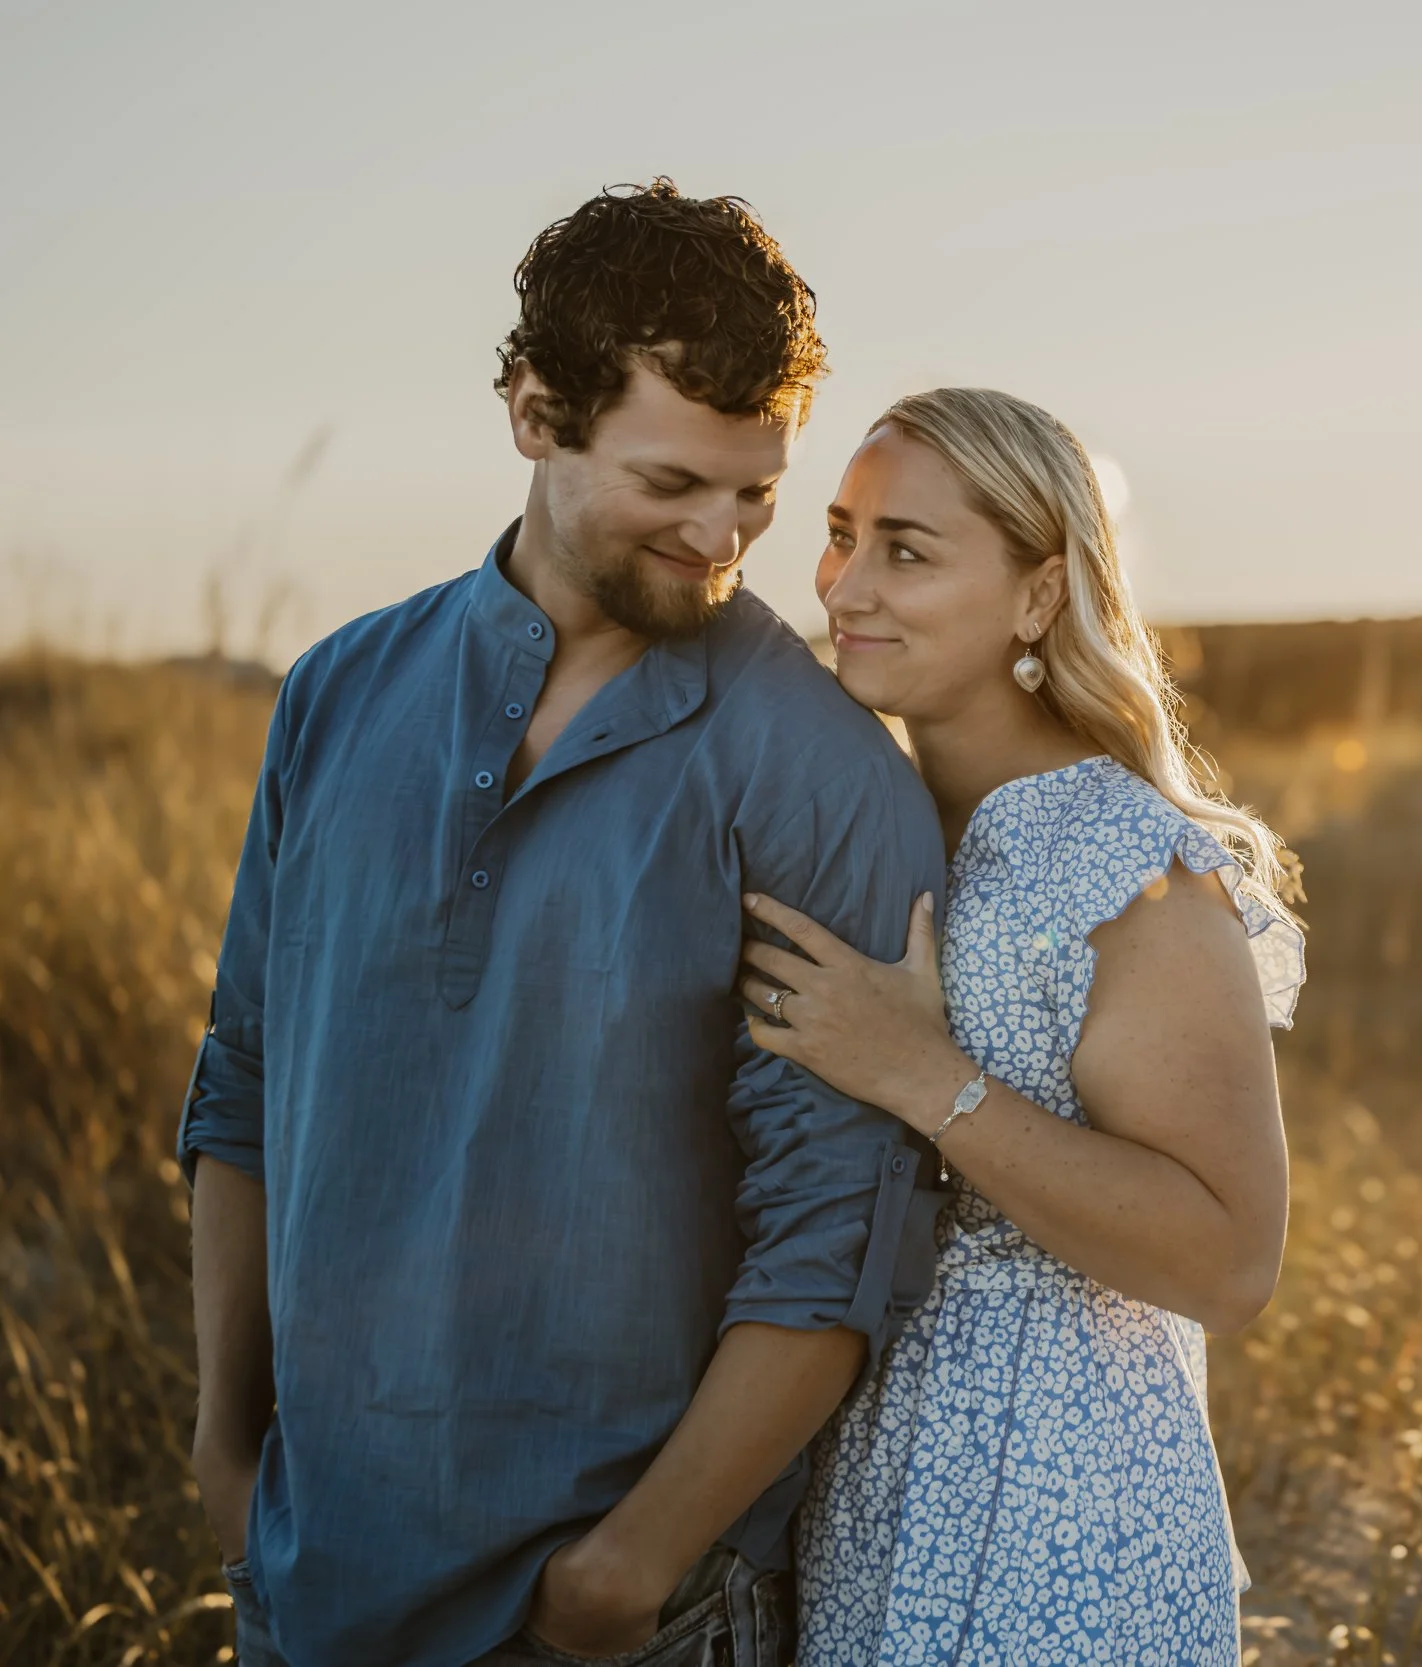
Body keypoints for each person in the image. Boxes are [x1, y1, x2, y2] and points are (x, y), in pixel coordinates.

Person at [179, 181, 948, 1667]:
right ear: (536, 412)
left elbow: (839, 1226)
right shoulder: (335, 694)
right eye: (674, 483)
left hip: (615, 1619)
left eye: (757, 492)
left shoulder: (823, 770)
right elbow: (244, 1079)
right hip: (308, 1573)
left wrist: (627, 1567)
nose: (724, 535)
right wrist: (228, 1446)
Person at [729, 388, 1305, 1665]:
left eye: (908, 550)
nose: (845, 586)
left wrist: (924, 1077)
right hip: (872, 1464)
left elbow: (1229, 1258)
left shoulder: (1126, 863)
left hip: (1056, 1488)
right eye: (840, 532)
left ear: (1040, 596)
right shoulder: (880, 820)